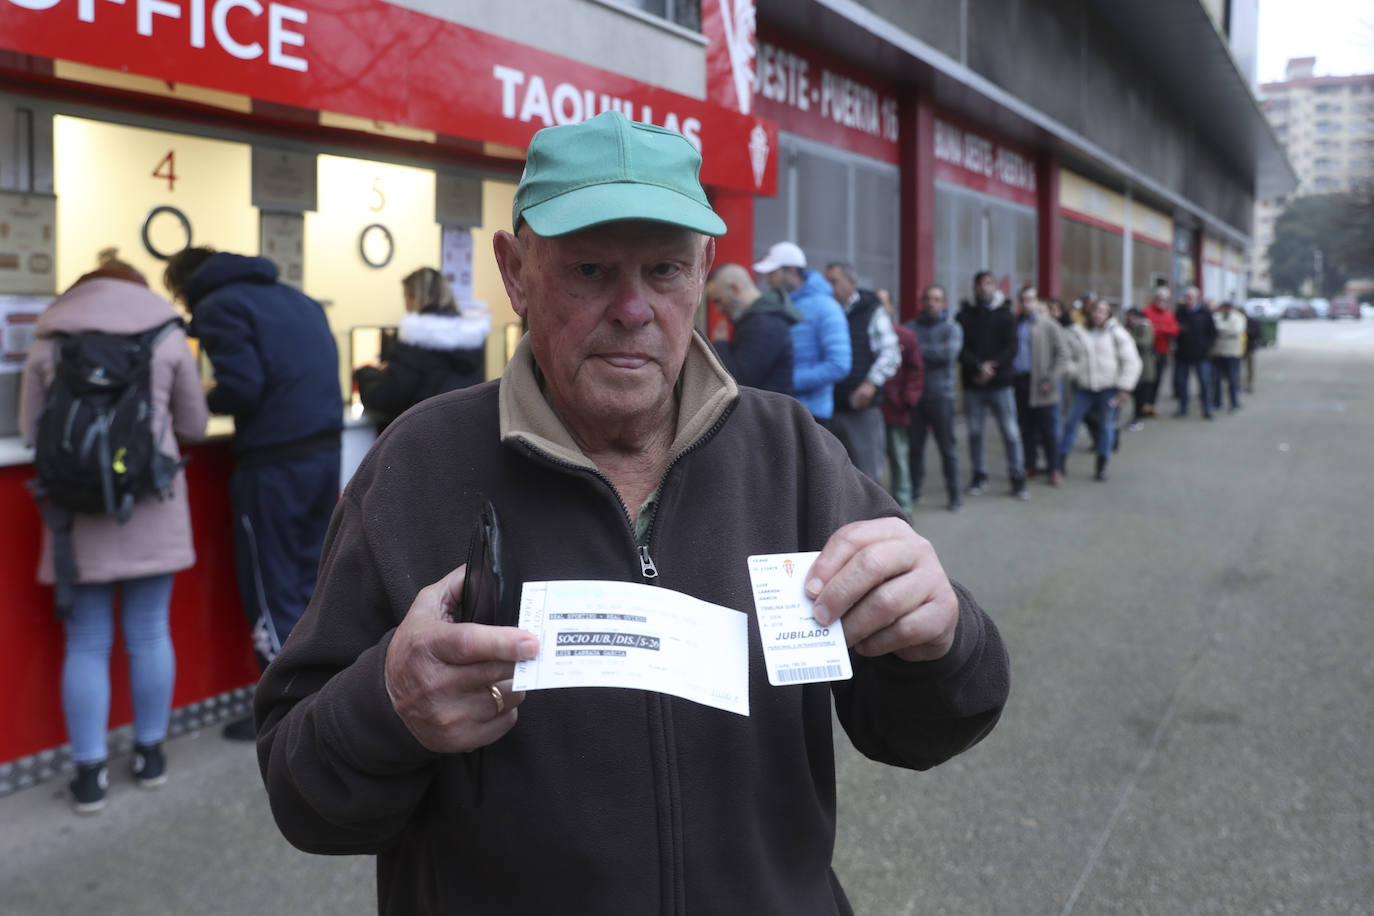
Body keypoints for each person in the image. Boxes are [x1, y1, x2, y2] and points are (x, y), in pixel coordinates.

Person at [254, 111, 1009, 915]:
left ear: (705, 269)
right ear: (515, 273)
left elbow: (921, 728)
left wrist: (942, 637)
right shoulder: (418, 466)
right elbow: (304, 797)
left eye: (664, 270)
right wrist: (390, 705)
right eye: (587, 270)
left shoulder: (790, 453)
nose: (633, 308)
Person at [19, 251, 208, 813]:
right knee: (149, 631)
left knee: (87, 641)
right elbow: (194, 426)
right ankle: (150, 758)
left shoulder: (50, 338)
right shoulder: (168, 335)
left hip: (78, 511)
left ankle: (90, 776)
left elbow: (32, 431)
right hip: (150, 502)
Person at [163, 246, 343, 741]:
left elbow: (244, 386)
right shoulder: (296, 298)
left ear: (185, 285)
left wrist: (192, 398)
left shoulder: (220, 306)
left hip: (274, 462)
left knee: (272, 585)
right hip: (323, 453)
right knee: (310, 580)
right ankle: (320, 696)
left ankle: (286, 714)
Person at [354, 267, 489, 425]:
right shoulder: (472, 339)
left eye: (406, 298)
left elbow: (386, 399)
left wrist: (365, 373)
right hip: (466, 434)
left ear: (414, 297)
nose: (406, 306)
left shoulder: (416, 338)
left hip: (426, 438)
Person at [753, 241, 851, 429]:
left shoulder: (826, 307)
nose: (769, 280)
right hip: (781, 407)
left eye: (773, 273)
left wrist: (785, 382)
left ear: (790, 270)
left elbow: (839, 365)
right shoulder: (780, 304)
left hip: (812, 414)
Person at [824, 261, 901, 483]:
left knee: (867, 477)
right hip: (830, 408)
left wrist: (871, 383)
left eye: (834, 281)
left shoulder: (871, 310)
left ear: (851, 282)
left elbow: (891, 353)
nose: (830, 287)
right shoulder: (827, 311)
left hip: (861, 410)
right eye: (827, 281)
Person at [957, 271, 1026, 499]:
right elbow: (960, 348)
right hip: (973, 385)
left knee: (1010, 432)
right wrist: (978, 367)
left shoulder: (1006, 315)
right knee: (975, 432)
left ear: (995, 287)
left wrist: (992, 368)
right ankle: (979, 475)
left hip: (1001, 384)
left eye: (988, 284)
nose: (984, 288)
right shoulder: (964, 315)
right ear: (974, 288)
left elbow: (1012, 347)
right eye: (980, 284)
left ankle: (1017, 478)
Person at [1056, 298, 1142, 481]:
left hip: (1108, 388)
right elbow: (1066, 357)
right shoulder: (1077, 332)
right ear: (1089, 312)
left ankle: (1101, 465)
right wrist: (1074, 372)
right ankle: (1060, 462)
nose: (1098, 315)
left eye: (1102, 311)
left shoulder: (1116, 333)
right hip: (1083, 388)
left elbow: (1131, 361)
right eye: (1095, 311)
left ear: (1108, 314)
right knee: (1071, 422)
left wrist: (1125, 387)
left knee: (1106, 426)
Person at [907, 284, 964, 512]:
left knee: (948, 449)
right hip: (916, 398)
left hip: (942, 397)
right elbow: (905, 354)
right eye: (928, 298)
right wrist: (931, 352)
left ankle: (955, 495)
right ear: (922, 302)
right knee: (915, 448)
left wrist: (918, 351)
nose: (932, 302)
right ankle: (913, 491)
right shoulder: (911, 327)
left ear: (944, 303)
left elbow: (948, 354)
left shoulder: (952, 328)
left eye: (937, 299)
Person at [705, 262, 800, 395]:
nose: (718, 309)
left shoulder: (764, 324)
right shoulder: (760, 319)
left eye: (718, 301)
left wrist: (721, 344)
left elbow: (739, 382)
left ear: (735, 289)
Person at [1009, 286, 1069, 486]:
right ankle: (1030, 465)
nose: (1027, 303)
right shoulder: (1016, 324)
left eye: (1031, 299)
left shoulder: (1049, 325)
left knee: (1049, 430)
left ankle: (1055, 468)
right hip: (1021, 382)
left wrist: (1051, 380)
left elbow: (1062, 355)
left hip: (1044, 385)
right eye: (1024, 300)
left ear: (1036, 301)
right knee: (1026, 428)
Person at [879, 314, 924, 514]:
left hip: (895, 409)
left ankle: (903, 507)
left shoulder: (905, 336)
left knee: (898, 457)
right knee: (872, 462)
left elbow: (916, 371)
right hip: (869, 410)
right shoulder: (866, 332)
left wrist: (907, 399)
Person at [1172, 285, 1217, 419]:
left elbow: (1212, 333)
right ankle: (1183, 408)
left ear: (1197, 298)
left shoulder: (1205, 313)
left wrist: (1207, 347)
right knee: (1182, 383)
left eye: (1190, 298)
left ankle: (1207, 409)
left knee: (1204, 383)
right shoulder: (1180, 312)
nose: (1188, 300)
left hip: (1201, 355)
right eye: (1186, 297)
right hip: (1183, 355)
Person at [1141, 285, 1179, 417]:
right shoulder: (1146, 311)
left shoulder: (1169, 314)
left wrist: (1159, 328)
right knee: (1146, 381)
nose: (1162, 301)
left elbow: (1174, 330)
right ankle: (1142, 406)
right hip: (1147, 353)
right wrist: (1161, 329)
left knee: (1157, 381)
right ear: (1155, 298)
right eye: (1160, 298)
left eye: (1165, 299)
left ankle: (1151, 406)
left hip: (1162, 352)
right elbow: (1146, 331)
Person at [1209, 298, 1245, 413]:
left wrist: (1221, 330)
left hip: (1232, 353)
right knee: (1216, 379)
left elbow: (1236, 330)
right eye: (1225, 306)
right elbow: (1213, 329)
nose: (1226, 309)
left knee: (1232, 379)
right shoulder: (1216, 316)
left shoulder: (1238, 317)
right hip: (1218, 352)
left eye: (1229, 306)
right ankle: (1217, 402)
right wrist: (1226, 330)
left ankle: (1234, 403)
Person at [1124, 306, 1156, 431]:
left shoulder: (1143, 326)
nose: (1128, 318)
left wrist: (1128, 337)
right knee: (1135, 394)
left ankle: (1138, 418)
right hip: (1134, 365)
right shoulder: (1132, 327)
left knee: (1140, 395)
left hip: (1143, 366)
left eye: (1130, 316)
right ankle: (1136, 417)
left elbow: (1146, 342)